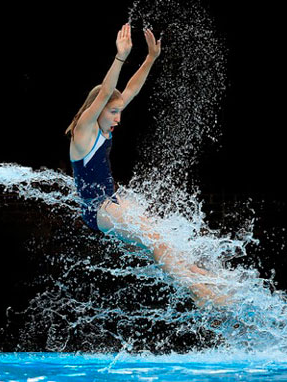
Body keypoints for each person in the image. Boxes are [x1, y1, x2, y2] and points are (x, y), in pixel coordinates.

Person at [67, 24, 229, 306]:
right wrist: (120, 58)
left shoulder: (104, 127)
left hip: (112, 203)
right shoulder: (83, 133)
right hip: (97, 210)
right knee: (154, 239)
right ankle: (202, 296)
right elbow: (106, 92)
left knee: (164, 239)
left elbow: (129, 89)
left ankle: (206, 280)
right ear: (98, 109)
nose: (119, 118)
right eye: (113, 112)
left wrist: (151, 58)